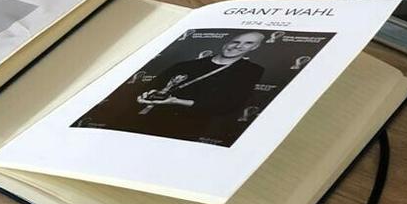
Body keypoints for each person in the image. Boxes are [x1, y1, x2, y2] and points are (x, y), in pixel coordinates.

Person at [75, 31, 265, 146]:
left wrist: (176, 101)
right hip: (135, 119)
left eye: (248, 43)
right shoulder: (186, 65)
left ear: (255, 48)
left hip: (181, 129)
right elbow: (150, 86)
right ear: (226, 43)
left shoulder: (250, 71)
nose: (238, 46)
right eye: (235, 41)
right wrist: (144, 95)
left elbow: (228, 106)